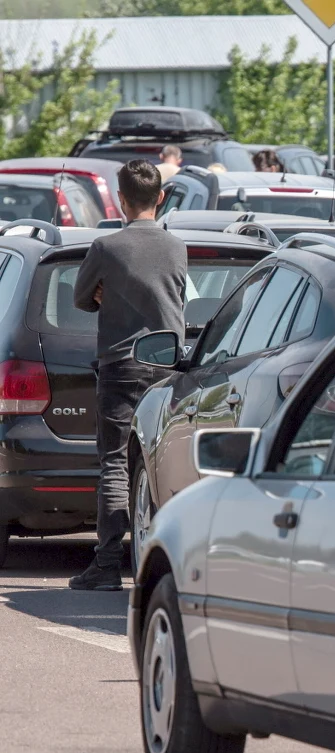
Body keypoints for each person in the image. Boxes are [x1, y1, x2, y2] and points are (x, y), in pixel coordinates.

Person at [70, 160, 187, 591]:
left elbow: (82, 298)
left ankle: (106, 565)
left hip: (120, 366)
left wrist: (108, 292)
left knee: (115, 463)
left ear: (120, 199)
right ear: (160, 197)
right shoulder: (178, 247)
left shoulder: (106, 247)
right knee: (158, 462)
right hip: (167, 367)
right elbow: (174, 298)